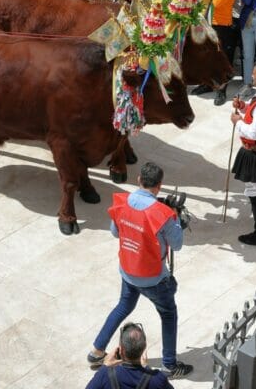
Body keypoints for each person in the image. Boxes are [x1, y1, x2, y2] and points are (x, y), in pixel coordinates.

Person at [88, 162, 193, 379]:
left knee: (123, 306)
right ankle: (170, 365)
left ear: (138, 180)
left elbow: (115, 232)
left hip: (127, 270)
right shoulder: (163, 214)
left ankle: (97, 351)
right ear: (160, 185)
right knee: (168, 314)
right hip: (153, 278)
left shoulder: (122, 202)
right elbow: (178, 244)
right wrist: (175, 219)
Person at [86, 323, 175, 389]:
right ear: (144, 348)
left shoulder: (105, 375)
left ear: (120, 350)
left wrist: (105, 366)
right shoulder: (158, 379)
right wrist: (147, 369)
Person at [231, 64, 256, 246]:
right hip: (255, 155)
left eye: (254, 75)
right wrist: (243, 107)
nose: (252, 78)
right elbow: (254, 114)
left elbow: (254, 133)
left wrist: (238, 122)